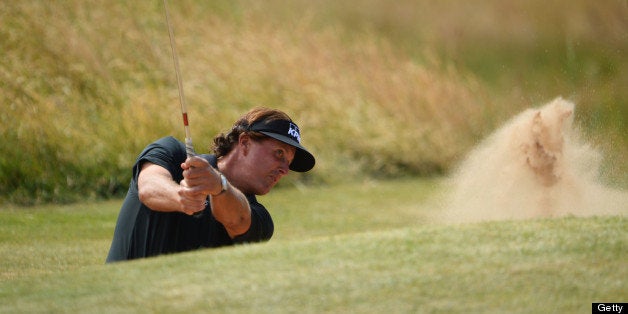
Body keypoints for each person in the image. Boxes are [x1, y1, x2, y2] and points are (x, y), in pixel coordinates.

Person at [106, 107, 315, 262]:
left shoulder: (259, 219)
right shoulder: (172, 154)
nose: (284, 169)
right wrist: (181, 196)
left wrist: (219, 186)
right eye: (279, 153)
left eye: (288, 162)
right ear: (244, 143)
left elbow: (237, 220)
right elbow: (149, 187)